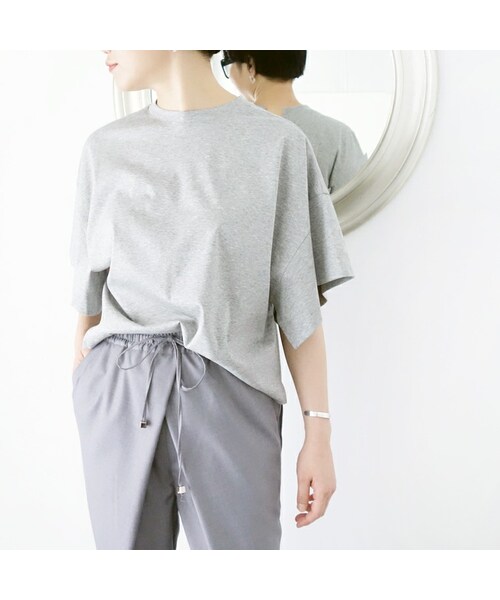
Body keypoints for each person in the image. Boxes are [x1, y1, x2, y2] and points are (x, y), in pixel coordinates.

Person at [70, 50, 355, 550]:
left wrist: (319, 431)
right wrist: (85, 395)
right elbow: (88, 301)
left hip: (232, 391)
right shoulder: (104, 150)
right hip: (119, 390)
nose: (105, 47)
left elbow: (299, 307)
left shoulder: (278, 145)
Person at [222, 50, 368, 193]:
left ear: (250, 65)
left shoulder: (227, 133)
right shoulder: (339, 135)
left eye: (228, 64)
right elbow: (358, 201)